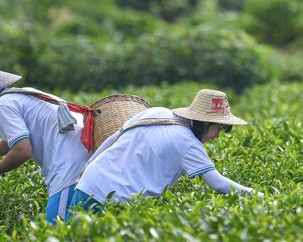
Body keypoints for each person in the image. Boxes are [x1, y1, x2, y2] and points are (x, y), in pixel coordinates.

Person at [67, 89, 253, 218]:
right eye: (218, 129)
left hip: (90, 182)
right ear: (205, 122)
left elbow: (112, 139)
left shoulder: (157, 112)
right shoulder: (188, 143)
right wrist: (256, 194)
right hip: (113, 198)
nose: (217, 136)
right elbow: (217, 182)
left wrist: (88, 166)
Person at [0, 63, 91, 223]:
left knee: (57, 227)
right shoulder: (19, 95)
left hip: (69, 170)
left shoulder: (2, 106)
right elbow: (13, 141)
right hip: (87, 160)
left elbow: (23, 150)